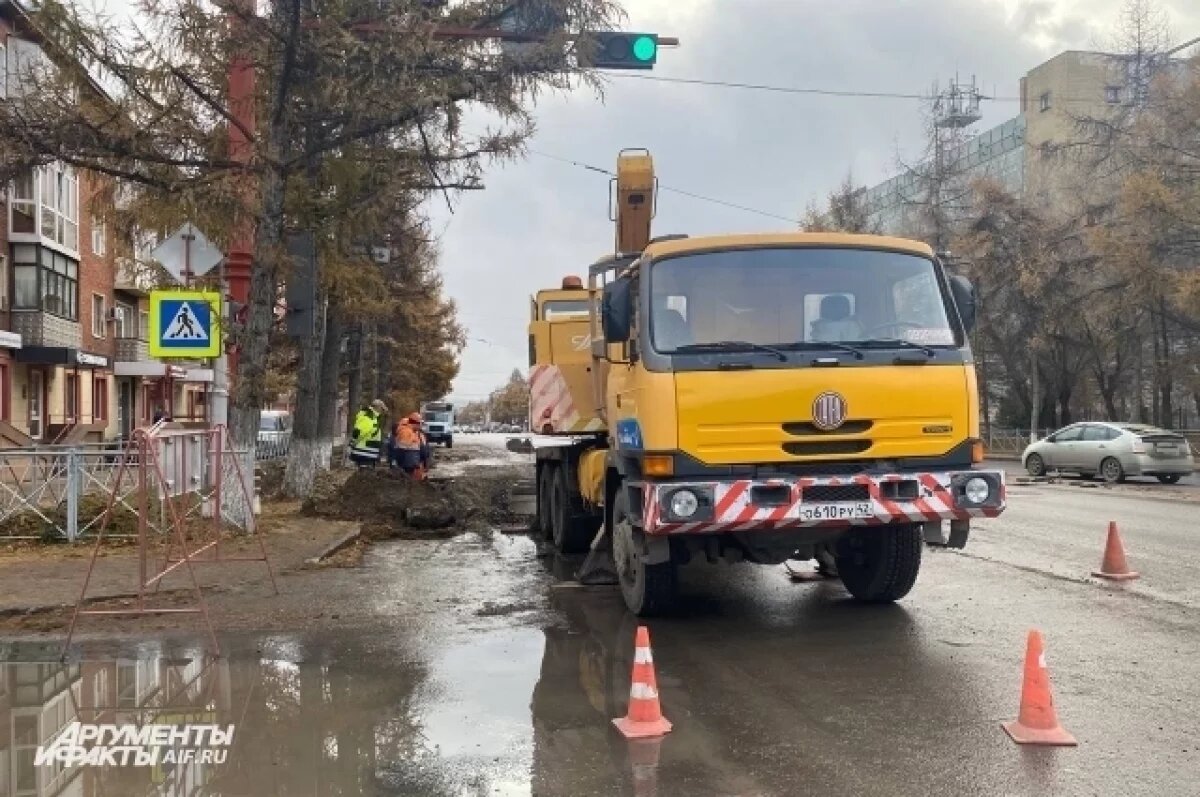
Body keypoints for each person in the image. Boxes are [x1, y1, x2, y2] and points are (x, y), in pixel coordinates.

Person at [349, 399, 387, 468]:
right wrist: (353, 443)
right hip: (364, 452)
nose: (382, 411)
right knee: (365, 474)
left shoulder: (372, 417)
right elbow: (360, 432)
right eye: (382, 409)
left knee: (365, 474)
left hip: (367, 452)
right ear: (377, 407)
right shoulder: (369, 416)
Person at [391, 413, 424, 478]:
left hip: (411, 463)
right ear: (415, 423)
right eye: (420, 424)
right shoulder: (406, 432)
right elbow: (402, 449)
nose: (420, 426)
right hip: (407, 464)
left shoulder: (413, 432)